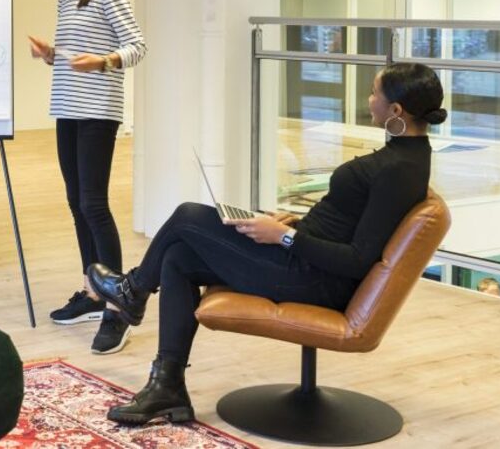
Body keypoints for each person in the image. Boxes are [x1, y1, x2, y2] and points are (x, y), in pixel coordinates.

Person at [85, 62, 446, 424]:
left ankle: (132, 292)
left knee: (188, 215)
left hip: (314, 278)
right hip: (302, 259)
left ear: (396, 111)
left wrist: (284, 237)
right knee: (178, 256)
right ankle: (167, 386)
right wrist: (288, 224)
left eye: (373, 93)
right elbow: (348, 224)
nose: (368, 100)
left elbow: (356, 259)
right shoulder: (406, 158)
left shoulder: (399, 169)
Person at [27, 0, 147, 355]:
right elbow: (79, 53)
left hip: (99, 109)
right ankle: (94, 291)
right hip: (68, 106)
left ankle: (119, 305)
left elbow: (137, 45)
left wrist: (105, 61)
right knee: (76, 203)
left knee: (94, 204)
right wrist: (53, 54)